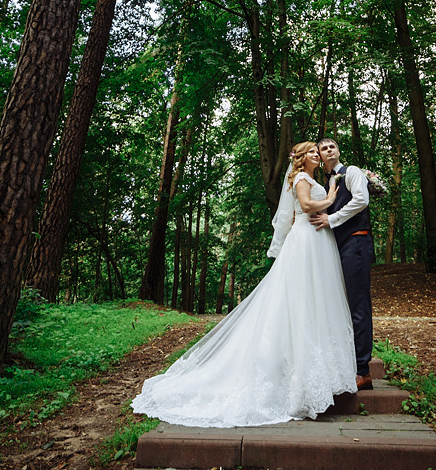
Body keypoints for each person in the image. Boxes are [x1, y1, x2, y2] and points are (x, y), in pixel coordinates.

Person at [130, 141, 357, 427]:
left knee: (317, 300)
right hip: (305, 240)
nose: (316, 154)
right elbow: (307, 205)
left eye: (317, 151)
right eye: (311, 151)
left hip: (319, 240)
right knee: (299, 299)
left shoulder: (314, 178)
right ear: (300, 158)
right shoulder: (300, 178)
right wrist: (331, 198)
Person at [309, 138, 373, 390]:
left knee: (358, 305)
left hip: (356, 244)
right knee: (341, 305)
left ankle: (363, 370)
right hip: (338, 247)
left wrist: (332, 218)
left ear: (338, 151)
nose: (328, 150)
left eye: (332, 146)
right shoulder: (327, 184)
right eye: (323, 149)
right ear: (321, 158)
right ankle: (348, 362)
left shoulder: (352, 172)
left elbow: (361, 200)